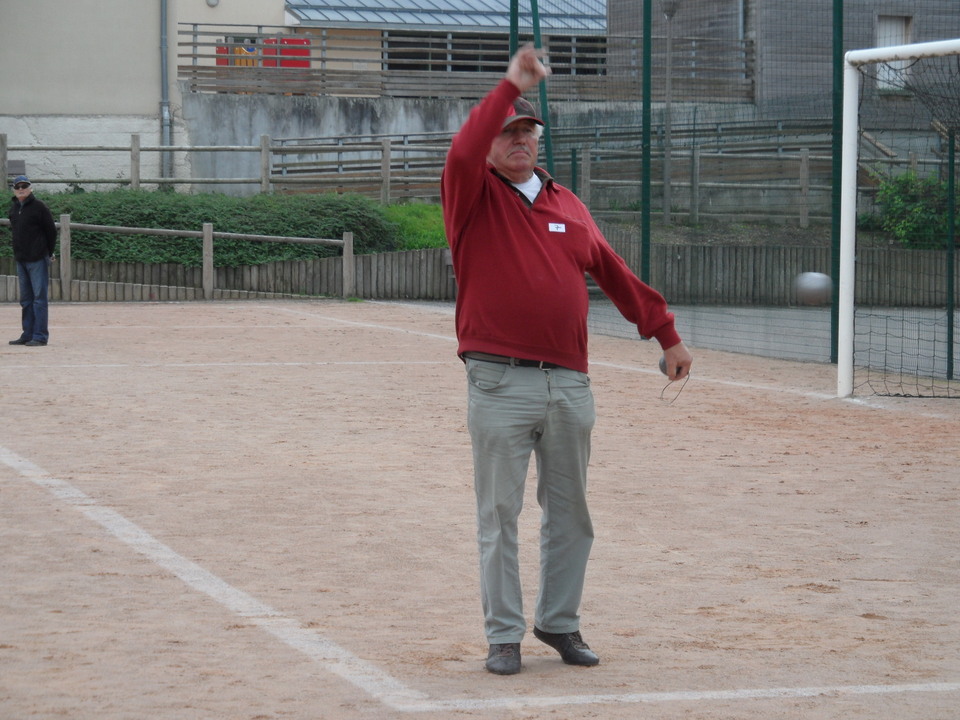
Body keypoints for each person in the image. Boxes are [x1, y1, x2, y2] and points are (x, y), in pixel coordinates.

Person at [441, 45, 693, 676]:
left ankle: (560, 624)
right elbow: (465, 149)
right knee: (500, 515)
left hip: (570, 384)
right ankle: (503, 636)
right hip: (499, 380)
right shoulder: (470, 194)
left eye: (527, 130)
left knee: (571, 515)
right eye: (508, 131)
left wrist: (664, 332)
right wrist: (509, 87)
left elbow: (613, 270)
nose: (519, 139)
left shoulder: (567, 203)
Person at [7, 175, 57, 346]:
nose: (21, 189)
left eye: (24, 186)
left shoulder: (39, 207)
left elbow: (51, 231)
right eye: (18, 186)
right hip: (21, 259)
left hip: (37, 258)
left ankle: (40, 336)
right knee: (26, 299)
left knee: (39, 298)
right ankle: (27, 334)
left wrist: (49, 253)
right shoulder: (13, 209)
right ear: (13, 189)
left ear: (30, 188)